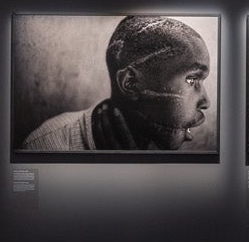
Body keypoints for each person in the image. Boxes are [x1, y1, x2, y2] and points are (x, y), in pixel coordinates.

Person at [22, 16, 213, 151]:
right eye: (191, 79)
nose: (206, 102)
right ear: (130, 83)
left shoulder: (169, 143)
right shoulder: (51, 144)